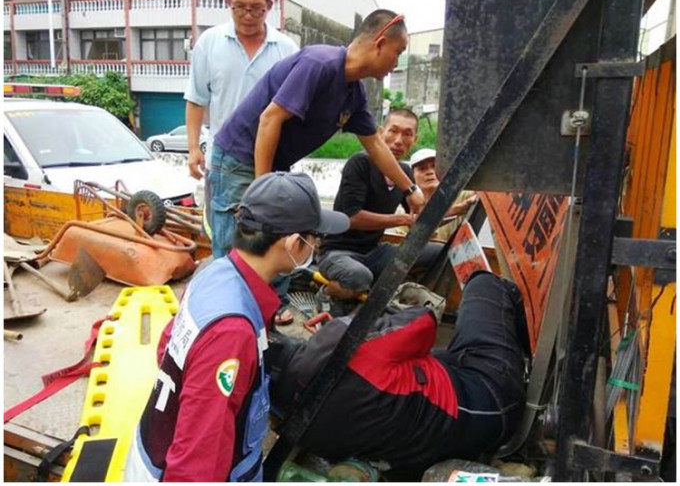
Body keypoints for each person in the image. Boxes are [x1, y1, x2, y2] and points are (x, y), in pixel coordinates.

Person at [124, 172, 349, 482]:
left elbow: (168, 345)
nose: (316, 245)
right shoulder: (232, 331)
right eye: (315, 238)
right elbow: (198, 463)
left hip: (151, 451)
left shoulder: (214, 272)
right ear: (295, 243)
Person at [268, 270, 530, 480]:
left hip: (425, 435)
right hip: (489, 399)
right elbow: (425, 321)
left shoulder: (290, 427)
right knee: (484, 282)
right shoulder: (341, 343)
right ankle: (530, 381)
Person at [209, 9, 425, 259]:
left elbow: (375, 144)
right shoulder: (320, 64)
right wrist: (263, 190)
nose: (396, 63)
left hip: (275, 168)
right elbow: (270, 119)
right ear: (380, 43)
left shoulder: (354, 94)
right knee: (236, 252)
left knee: (273, 252)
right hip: (239, 158)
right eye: (397, 53)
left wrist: (411, 190)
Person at [184, 0, 298, 181]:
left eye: (256, 8)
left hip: (272, 164)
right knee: (220, 216)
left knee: (267, 216)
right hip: (222, 164)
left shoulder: (287, 50)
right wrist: (193, 148)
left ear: (269, 4)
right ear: (228, 2)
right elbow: (196, 99)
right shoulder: (209, 43)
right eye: (239, 7)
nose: (247, 16)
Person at [316, 109, 440, 305]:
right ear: (381, 132)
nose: (399, 140)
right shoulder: (360, 163)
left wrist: (456, 207)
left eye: (407, 134)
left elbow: (418, 217)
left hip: (375, 253)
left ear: (415, 139)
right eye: (393, 131)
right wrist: (402, 219)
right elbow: (352, 218)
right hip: (337, 253)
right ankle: (326, 293)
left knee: (438, 252)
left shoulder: (405, 172)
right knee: (359, 277)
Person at [408, 147, 477, 241]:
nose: (430, 172)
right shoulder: (408, 206)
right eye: (422, 169)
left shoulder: (463, 196)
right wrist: (456, 210)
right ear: (412, 176)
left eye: (435, 167)